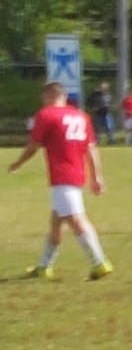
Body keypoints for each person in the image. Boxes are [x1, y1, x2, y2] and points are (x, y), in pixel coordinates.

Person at [10, 81, 111, 280]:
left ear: (48, 96)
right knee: (57, 222)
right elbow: (91, 148)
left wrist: (18, 163)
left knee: (76, 219)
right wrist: (97, 176)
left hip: (62, 175)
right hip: (77, 173)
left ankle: (99, 262)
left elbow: (34, 145)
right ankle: (44, 267)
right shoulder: (81, 116)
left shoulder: (46, 115)